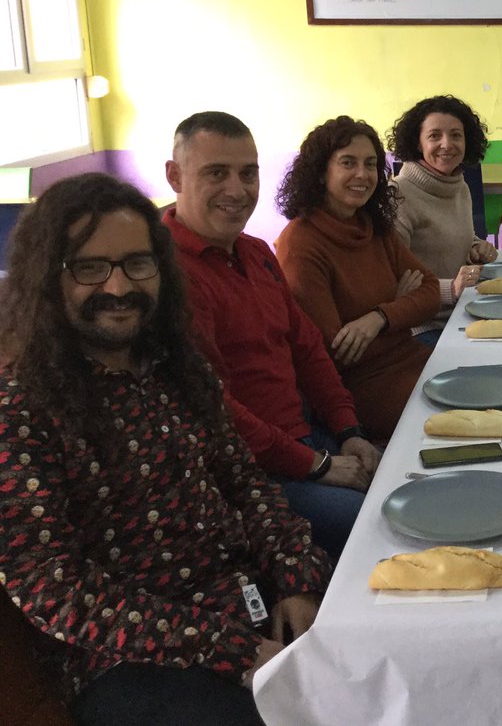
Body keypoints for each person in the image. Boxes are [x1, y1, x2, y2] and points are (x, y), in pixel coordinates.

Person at [0, 173, 330, 726]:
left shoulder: (178, 369)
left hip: (248, 608)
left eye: (137, 263)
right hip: (128, 662)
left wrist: (296, 578)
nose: (118, 285)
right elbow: (51, 587)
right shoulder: (22, 410)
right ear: (46, 278)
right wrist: (227, 648)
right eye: (89, 267)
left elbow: (246, 484)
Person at [164, 111, 381, 560]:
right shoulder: (167, 274)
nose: (237, 190)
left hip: (305, 437)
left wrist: (349, 429)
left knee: (406, 481)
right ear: (175, 176)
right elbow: (213, 409)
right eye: (216, 173)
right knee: (378, 526)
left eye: (248, 173)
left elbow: (307, 349)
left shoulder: (256, 251)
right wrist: (317, 465)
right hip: (250, 473)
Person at [276, 116, 441, 439]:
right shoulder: (301, 244)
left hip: (413, 360)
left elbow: (431, 292)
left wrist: (378, 317)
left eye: (370, 164)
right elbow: (336, 351)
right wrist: (399, 304)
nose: (362, 175)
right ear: (321, 172)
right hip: (366, 390)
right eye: (347, 163)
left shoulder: (372, 226)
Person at [387, 95, 498, 344]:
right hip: (422, 325)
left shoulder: (460, 186)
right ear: (417, 143)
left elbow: (456, 236)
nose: (447, 144)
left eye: (456, 135)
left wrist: (476, 247)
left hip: (465, 310)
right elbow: (391, 279)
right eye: (434, 135)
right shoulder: (398, 195)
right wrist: (452, 288)